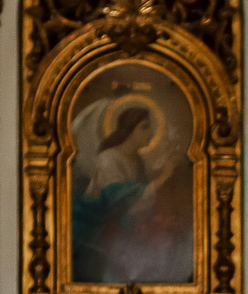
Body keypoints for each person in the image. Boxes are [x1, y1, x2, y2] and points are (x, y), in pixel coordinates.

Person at [73, 103, 189, 284]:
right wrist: (165, 176)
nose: (150, 133)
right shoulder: (108, 159)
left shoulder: (137, 160)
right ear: (129, 129)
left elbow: (143, 199)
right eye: (144, 127)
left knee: (176, 235)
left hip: (128, 221)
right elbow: (120, 198)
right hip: (100, 223)